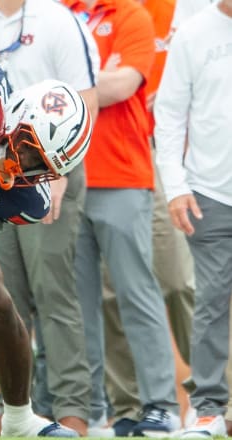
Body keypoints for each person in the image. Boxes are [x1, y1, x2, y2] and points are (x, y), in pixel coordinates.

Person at [0, 0, 100, 435]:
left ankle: (73, 410)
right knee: (3, 295)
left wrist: (60, 176)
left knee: (53, 291)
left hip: (48, 168)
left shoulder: (58, 18)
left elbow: (85, 101)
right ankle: (14, 410)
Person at [61, 0, 182, 434]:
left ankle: (161, 405)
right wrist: (94, 80)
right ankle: (92, 407)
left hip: (123, 174)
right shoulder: (58, 15)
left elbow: (124, 84)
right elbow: (101, 85)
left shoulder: (131, 15)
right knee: (79, 304)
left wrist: (61, 88)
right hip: (66, 177)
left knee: (137, 293)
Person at [154, 0, 232, 436]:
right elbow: (168, 115)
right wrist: (176, 186)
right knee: (211, 303)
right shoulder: (193, 33)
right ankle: (207, 410)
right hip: (210, 191)